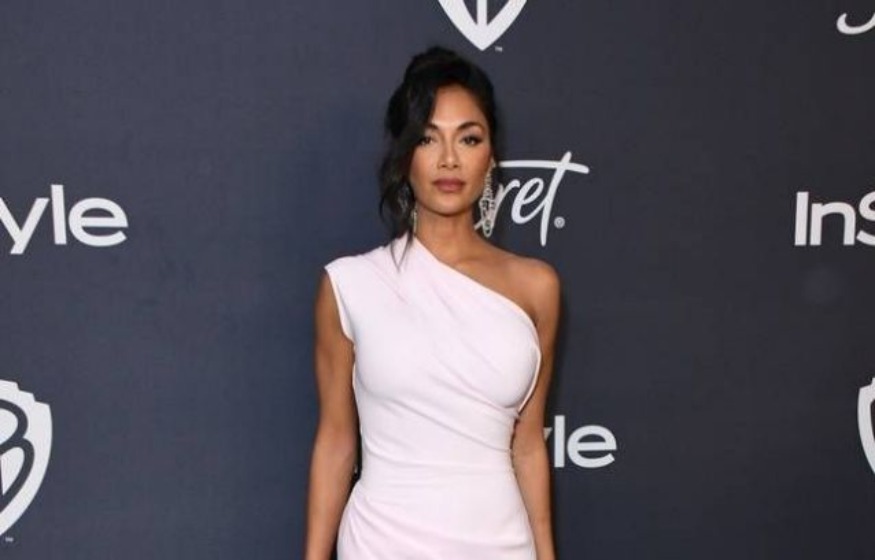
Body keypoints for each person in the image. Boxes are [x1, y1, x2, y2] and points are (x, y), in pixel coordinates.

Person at [305, 46, 560, 560]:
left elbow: (529, 443)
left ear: (491, 155)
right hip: (383, 543)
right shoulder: (351, 285)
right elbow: (336, 440)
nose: (449, 159)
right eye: (427, 138)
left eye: (468, 138)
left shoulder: (537, 287)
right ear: (404, 157)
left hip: (501, 545)